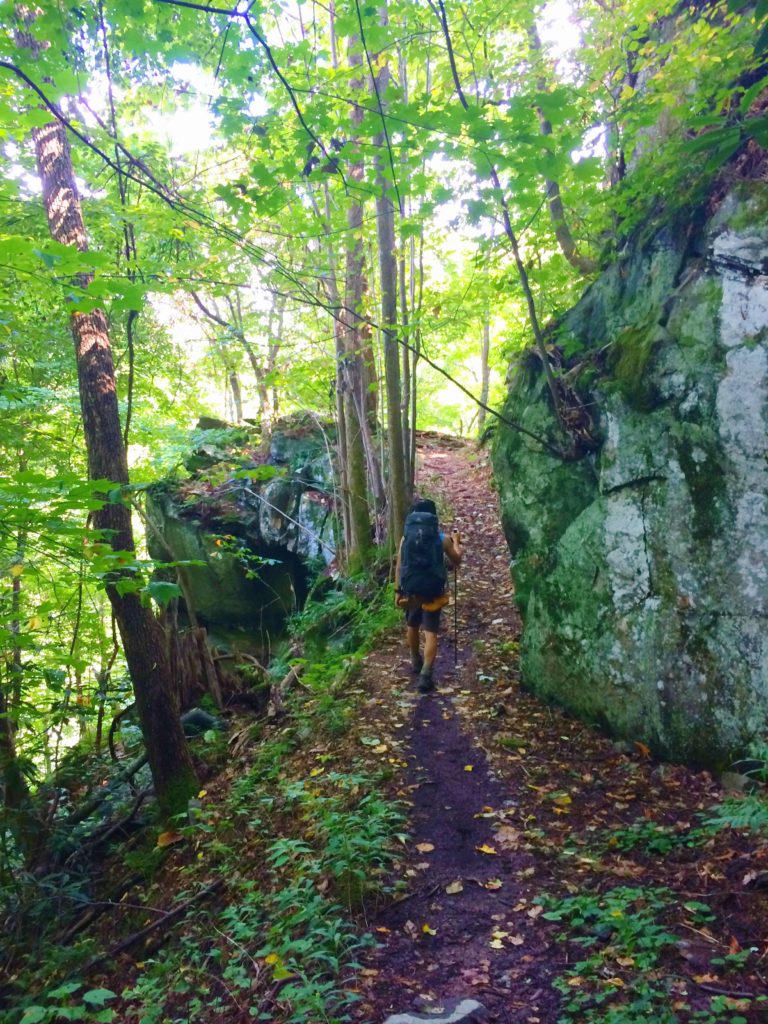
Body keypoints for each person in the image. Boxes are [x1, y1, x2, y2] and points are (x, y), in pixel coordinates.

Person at [395, 498, 463, 693]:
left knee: (412, 625)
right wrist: (457, 542)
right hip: (433, 590)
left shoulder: (405, 538)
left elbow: (400, 566)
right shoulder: (442, 538)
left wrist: (398, 591)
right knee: (430, 631)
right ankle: (426, 674)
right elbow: (457, 560)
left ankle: (415, 659)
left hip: (411, 588)